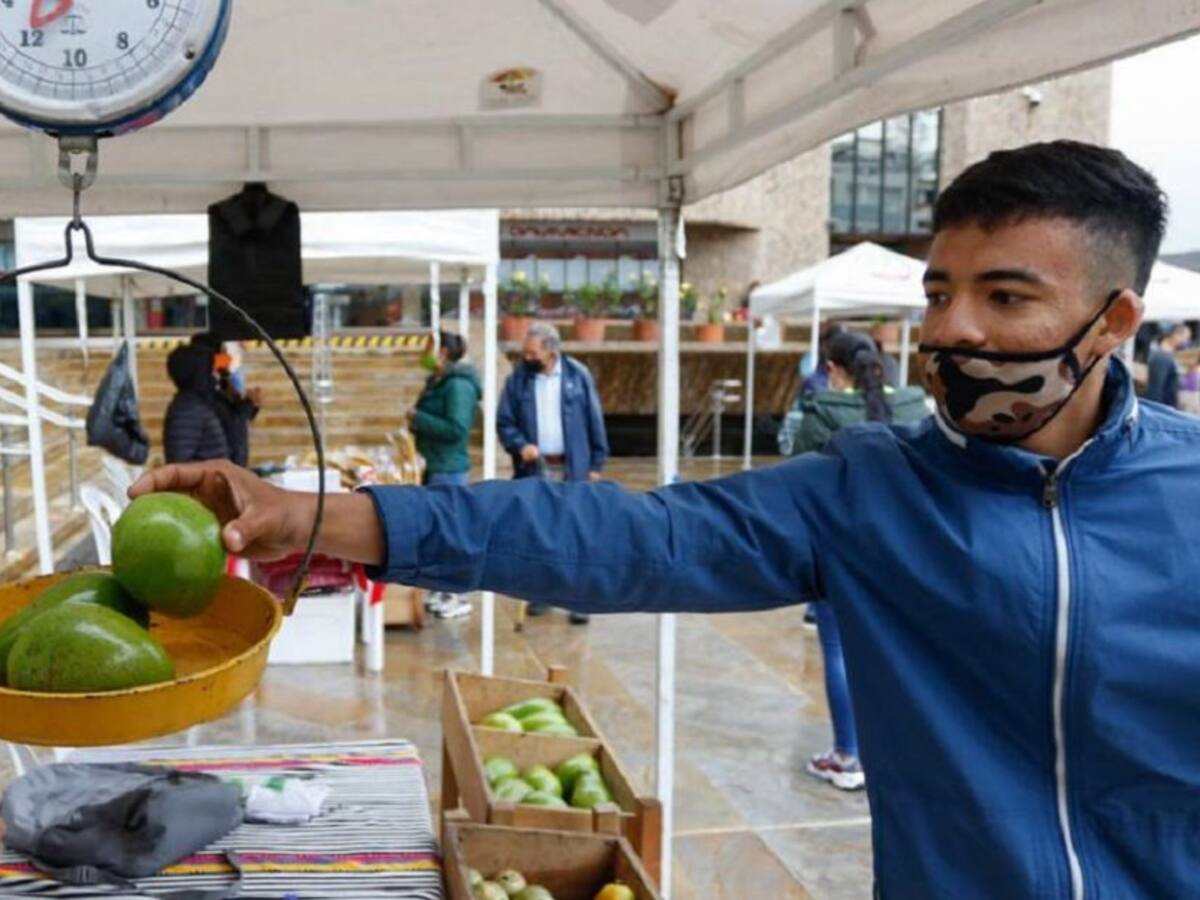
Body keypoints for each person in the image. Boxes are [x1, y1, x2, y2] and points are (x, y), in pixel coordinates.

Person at [133, 141, 1200, 898]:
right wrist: (309, 515)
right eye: (937, 293)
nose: (951, 328)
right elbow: (623, 540)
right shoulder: (871, 492)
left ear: (1113, 321)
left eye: (1005, 298)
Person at [790, 330, 929, 791]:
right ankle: (896, 751)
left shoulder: (824, 412)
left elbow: (799, 483)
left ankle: (848, 755)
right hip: (909, 554)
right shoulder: (915, 407)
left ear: (833, 369)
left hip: (842, 553)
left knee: (839, 651)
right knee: (898, 653)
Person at [495, 321, 609, 624]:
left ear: (551, 350)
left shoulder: (578, 376)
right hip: (535, 468)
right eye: (525, 352)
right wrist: (520, 445)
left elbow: (594, 420)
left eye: (532, 353)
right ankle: (542, 592)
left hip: (574, 468)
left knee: (576, 533)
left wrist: (596, 464)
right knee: (540, 532)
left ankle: (578, 598)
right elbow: (504, 421)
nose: (527, 358)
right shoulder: (519, 379)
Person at [407, 331, 481, 618]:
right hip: (433, 464)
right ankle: (442, 590)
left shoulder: (458, 386)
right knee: (437, 534)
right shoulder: (437, 381)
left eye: (429, 349)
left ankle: (459, 595)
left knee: (450, 534)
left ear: (444, 353)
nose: (423, 354)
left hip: (448, 468)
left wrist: (419, 418)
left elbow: (456, 429)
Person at [162, 343, 233, 464]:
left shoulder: (199, 405)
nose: (215, 377)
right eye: (209, 371)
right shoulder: (186, 412)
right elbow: (179, 466)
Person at [1143, 321, 1190, 407]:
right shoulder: (1161, 357)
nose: (1185, 341)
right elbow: (1156, 388)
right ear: (1175, 335)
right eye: (1184, 337)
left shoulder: (1168, 355)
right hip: (1162, 407)